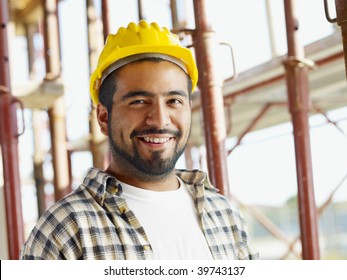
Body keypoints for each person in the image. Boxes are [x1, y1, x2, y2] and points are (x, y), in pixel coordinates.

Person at [20, 20, 258, 260]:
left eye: (174, 101)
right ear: (103, 117)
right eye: (139, 102)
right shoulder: (64, 230)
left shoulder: (224, 214)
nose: (159, 119)